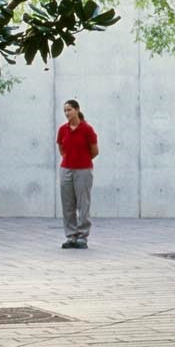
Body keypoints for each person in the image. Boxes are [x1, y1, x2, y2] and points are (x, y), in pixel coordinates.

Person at [57, 98, 99, 248]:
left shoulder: (87, 129)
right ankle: (71, 236)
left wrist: (82, 161)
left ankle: (82, 236)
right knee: (67, 204)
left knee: (83, 204)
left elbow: (94, 151)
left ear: (77, 110)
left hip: (83, 170)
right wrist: (69, 161)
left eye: (69, 110)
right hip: (66, 170)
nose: (67, 113)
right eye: (65, 111)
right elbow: (62, 149)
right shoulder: (63, 129)